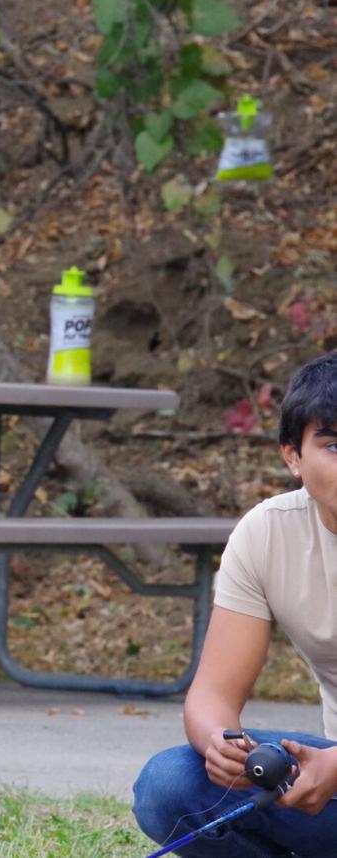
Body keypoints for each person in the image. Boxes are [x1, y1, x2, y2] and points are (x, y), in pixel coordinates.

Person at [132, 351, 337, 856]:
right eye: (335, 446)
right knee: (169, 785)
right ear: (292, 455)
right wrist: (221, 744)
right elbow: (212, 696)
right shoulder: (268, 533)